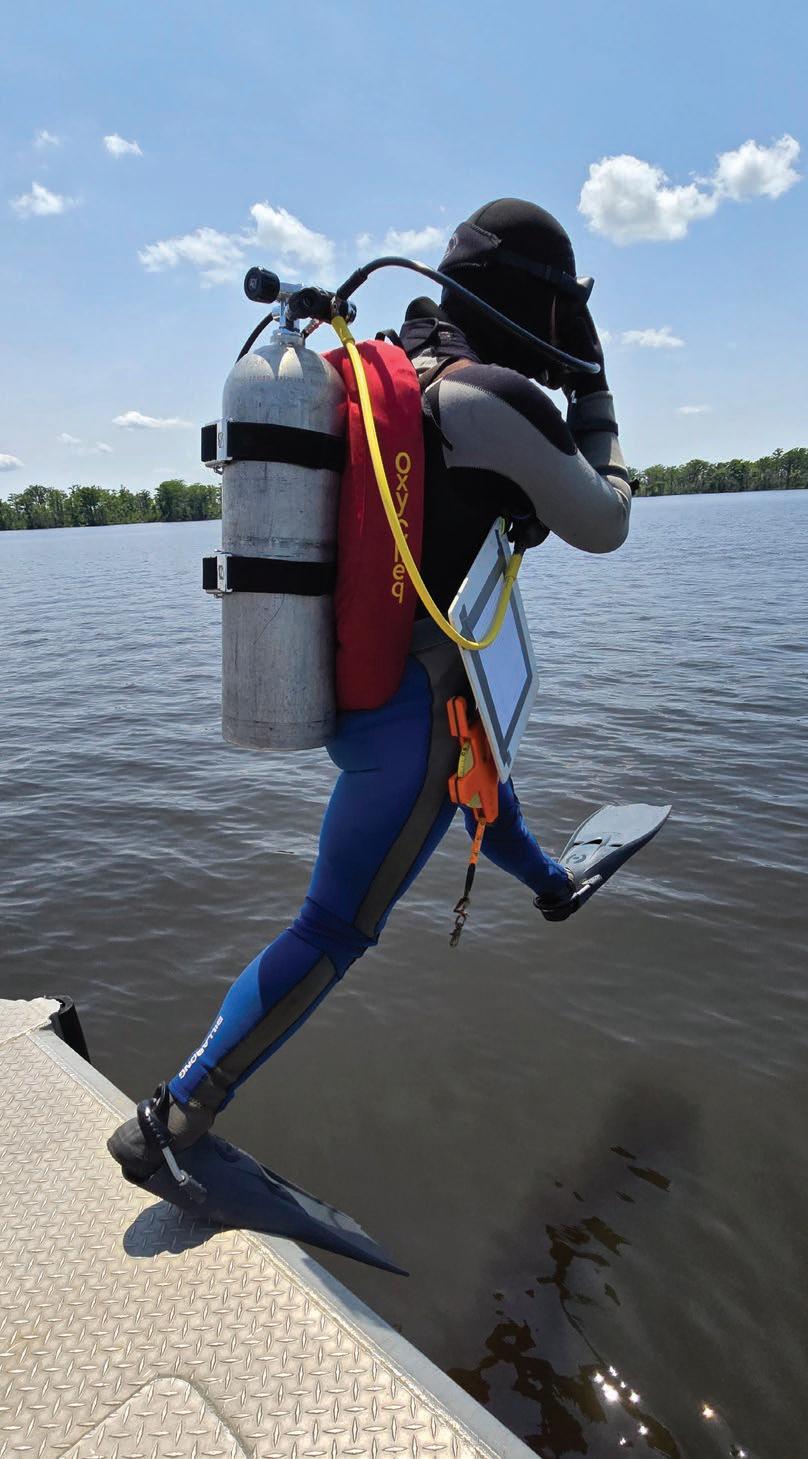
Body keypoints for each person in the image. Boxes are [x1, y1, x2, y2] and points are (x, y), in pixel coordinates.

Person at [108, 198, 632, 1182]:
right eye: (569, 313)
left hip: (374, 688)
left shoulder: (385, 368)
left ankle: (551, 884)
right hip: (413, 720)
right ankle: (171, 1122)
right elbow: (605, 523)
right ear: (537, 304)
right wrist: (596, 394)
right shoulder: (489, 398)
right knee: (334, 925)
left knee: (482, 784)